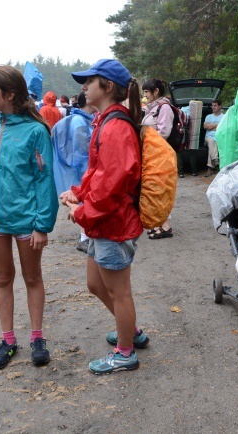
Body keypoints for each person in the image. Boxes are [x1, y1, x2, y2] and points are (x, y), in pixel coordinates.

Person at [0, 65, 58, 370]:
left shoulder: (36, 130)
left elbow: (45, 180)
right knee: (3, 277)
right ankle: (8, 341)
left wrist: (43, 225)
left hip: (27, 221)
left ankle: (37, 338)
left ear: (10, 94)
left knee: (32, 277)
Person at [61, 58, 149, 375]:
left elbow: (114, 183)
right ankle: (131, 331)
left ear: (107, 87)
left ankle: (125, 351)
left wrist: (84, 210)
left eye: (89, 82)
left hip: (114, 223)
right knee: (95, 284)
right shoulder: (105, 121)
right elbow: (97, 172)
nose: (83, 87)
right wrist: (78, 193)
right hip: (103, 222)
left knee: (118, 291)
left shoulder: (115, 127)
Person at [51, 91, 96, 254]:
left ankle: (86, 235)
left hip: (80, 167)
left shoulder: (79, 119)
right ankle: (84, 238)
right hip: (82, 168)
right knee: (86, 199)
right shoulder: (80, 121)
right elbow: (81, 150)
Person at [141, 78, 176, 239]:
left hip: (162, 156)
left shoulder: (164, 108)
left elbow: (164, 132)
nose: (145, 95)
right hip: (153, 155)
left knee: (163, 189)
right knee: (156, 189)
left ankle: (166, 226)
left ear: (156, 91)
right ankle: (161, 223)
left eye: (147, 91)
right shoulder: (152, 108)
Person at [203, 99, 223, 177]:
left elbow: (222, 128)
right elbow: (205, 126)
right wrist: (217, 125)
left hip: (219, 137)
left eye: (215, 105)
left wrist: (211, 126)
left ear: (220, 106)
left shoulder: (224, 117)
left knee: (213, 145)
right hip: (208, 137)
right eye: (212, 105)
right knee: (211, 141)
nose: (213, 107)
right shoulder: (209, 116)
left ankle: (210, 168)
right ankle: (215, 159)